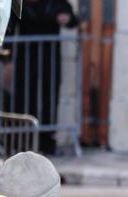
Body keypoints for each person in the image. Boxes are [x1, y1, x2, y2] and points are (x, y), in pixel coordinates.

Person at [9, 0, 80, 155]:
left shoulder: (55, 4)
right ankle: (24, 140)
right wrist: (6, 56)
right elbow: (9, 28)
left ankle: (47, 141)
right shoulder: (20, 4)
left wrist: (66, 18)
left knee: (49, 97)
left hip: (49, 59)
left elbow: (73, 20)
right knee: (26, 97)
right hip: (26, 59)